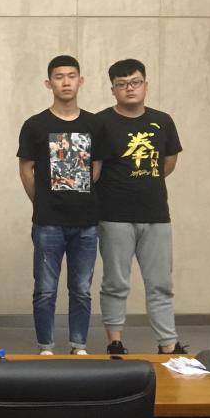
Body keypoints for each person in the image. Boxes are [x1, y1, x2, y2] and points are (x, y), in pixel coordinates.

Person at [18, 56, 106, 356]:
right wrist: (42, 201)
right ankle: (46, 346)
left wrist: (77, 193)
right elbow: (26, 171)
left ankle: (79, 345)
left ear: (81, 81)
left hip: (87, 223)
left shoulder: (95, 124)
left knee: (81, 289)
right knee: (45, 290)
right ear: (48, 83)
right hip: (48, 222)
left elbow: (97, 168)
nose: (66, 82)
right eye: (59, 77)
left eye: (71, 76)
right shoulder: (35, 125)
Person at [95, 59, 185, 355]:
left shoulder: (163, 121)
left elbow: (168, 162)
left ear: (146, 85)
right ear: (113, 89)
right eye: (122, 84)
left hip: (156, 215)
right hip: (114, 216)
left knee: (161, 283)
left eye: (135, 82)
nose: (129, 89)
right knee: (115, 283)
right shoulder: (101, 123)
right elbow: (95, 168)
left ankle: (168, 343)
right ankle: (115, 341)